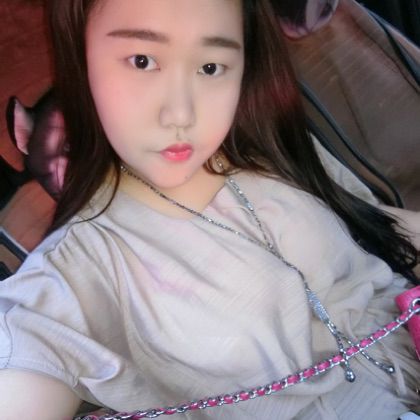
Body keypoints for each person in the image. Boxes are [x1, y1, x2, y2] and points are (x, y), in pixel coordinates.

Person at [0, 0, 419, 419]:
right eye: (142, 61)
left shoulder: (262, 147)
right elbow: (27, 362)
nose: (181, 113)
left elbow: (375, 225)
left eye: (211, 67)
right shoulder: (76, 267)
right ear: (83, 64)